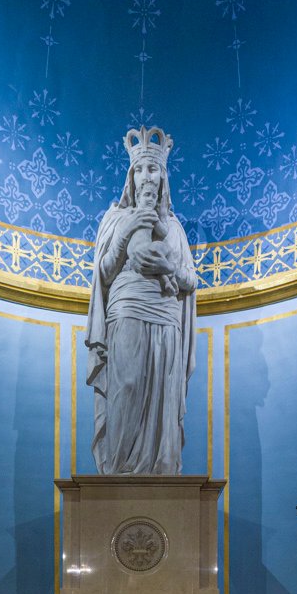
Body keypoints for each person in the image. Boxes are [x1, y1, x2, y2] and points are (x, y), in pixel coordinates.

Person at [84, 126, 198, 474]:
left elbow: (190, 280)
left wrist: (168, 268)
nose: (146, 176)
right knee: (128, 385)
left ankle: (161, 470)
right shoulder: (115, 218)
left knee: (164, 397)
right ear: (130, 178)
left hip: (165, 314)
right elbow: (103, 274)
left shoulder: (174, 228)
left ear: (163, 179)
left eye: (153, 169)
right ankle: (119, 473)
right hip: (127, 307)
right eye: (139, 170)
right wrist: (122, 236)